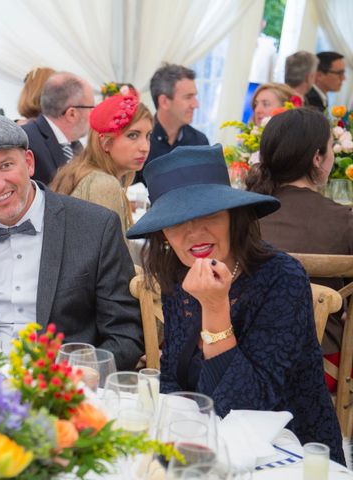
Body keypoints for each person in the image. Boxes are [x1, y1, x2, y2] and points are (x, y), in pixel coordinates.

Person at [127, 144, 344, 464]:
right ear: (162, 235)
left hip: (288, 453)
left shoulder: (281, 278)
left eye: (208, 214)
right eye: (176, 221)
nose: (193, 233)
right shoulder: (180, 275)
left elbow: (249, 407)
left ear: (233, 215)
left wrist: (214, 309)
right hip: (208, 444)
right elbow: (174, 378)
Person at [0, 115, 143, 370]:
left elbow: (125, 333)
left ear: (29, 163)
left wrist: (80, 375)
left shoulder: (95, 227)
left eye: (6, 166)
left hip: (65, 385)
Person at [247, 107, 353, 357]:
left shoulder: (243, 217)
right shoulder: (344, 220)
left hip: (246, 355)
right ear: (317, 158)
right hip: (321, 363)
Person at [50, 94, 152, 233]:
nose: (145, 147)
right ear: (106, 143)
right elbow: (112, 254)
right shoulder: (103, 184)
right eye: (133, 135)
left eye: (148, 136)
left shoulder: (83, 172)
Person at [134, 63, 208, 184]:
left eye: (194, 96)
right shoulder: (138, 143)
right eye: (188, 97)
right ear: (164, 102)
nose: (196, 104)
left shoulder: (200, 142)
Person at [22, 72, 94, 185]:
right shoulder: (27, 142)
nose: (93, 115)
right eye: (91, 108)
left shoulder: (76, 146)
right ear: (72, 114)